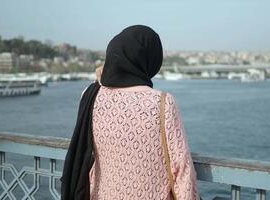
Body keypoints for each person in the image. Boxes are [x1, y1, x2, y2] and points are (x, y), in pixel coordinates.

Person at [62, 25, 200, 200]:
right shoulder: (163, 103)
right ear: (152, 59)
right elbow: (182, 168)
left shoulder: (91, 96)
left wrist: (107, 71)